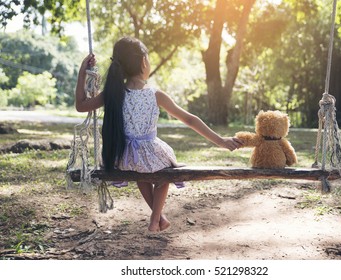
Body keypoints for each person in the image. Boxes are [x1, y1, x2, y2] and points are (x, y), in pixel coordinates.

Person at [75, 37, 242, 232]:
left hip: (123, 156)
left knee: (142, 171)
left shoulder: (113, 93)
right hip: (146, 154)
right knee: (166, 169)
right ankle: (155, 220)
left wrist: (82, 73)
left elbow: (81, 105)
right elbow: (190, 119)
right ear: (143, 62)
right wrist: (221, 141)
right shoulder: (155, 94)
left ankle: (160, 218)